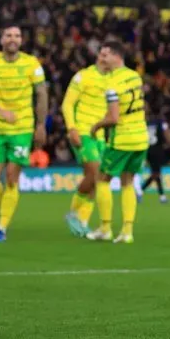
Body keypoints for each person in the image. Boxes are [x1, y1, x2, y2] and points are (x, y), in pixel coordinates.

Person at [0, 25, 47, 242]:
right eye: (8, 35)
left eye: (16, 36)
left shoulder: (31, 63)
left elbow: (41, 93)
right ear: (2, 40)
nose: (12, 39)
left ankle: (2, 226)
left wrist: (41, 125)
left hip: (22, 128)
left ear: (21, 40)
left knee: (12, 179)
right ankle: (7, 208)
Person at [85, 41, 148, 244]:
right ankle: (127, 232)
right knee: (127, 181)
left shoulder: (112, 84)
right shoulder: (135, 76)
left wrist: (96, 127)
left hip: (122, 139)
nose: (101, 59)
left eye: (105, 55)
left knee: (102, 179)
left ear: (117, 56)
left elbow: (113, 118)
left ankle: (105, 228)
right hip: (141, 137)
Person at [61, 47, 114, 236]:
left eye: (108, 54)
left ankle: (81, 219)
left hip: (101, 137)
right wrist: (71, 128)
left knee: (94, 179)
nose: (104, 57)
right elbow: (67, 104)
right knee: (96, 173)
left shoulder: (114, 80)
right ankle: (73, 214)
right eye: (102, 53)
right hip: (83, 133)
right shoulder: (83, 76)